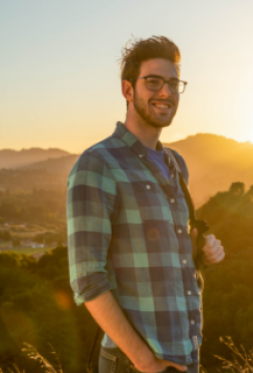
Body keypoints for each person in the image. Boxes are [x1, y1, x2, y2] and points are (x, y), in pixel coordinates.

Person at [66, 36, 225, 373]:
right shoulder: (97, 164)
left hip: (186, 356)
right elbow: (87, 279)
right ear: (128, 90)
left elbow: (176, 255)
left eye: (173, 83)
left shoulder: (176, 163)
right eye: (153, 82)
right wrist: (146, 362)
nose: (165, 92)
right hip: (135, 364)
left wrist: (203, 250)